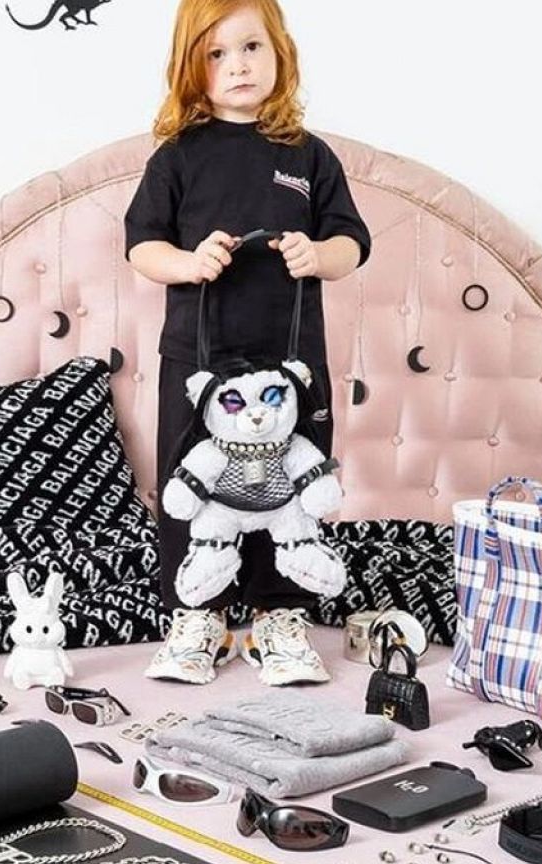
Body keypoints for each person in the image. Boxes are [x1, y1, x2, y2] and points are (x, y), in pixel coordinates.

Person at [124, 0, 370, 686]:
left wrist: (318, 254)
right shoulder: (176, 158)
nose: (237, 66)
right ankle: (196, 614)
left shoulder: (308, 155)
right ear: (191, 67)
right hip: (198, 362)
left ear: (279, 54)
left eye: (251, 48)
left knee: (292, 478)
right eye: (217, 54)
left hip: (291, 364)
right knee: (188, 481)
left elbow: (352, 242)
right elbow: (142, 246)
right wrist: (189, 262)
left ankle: (279, 616)